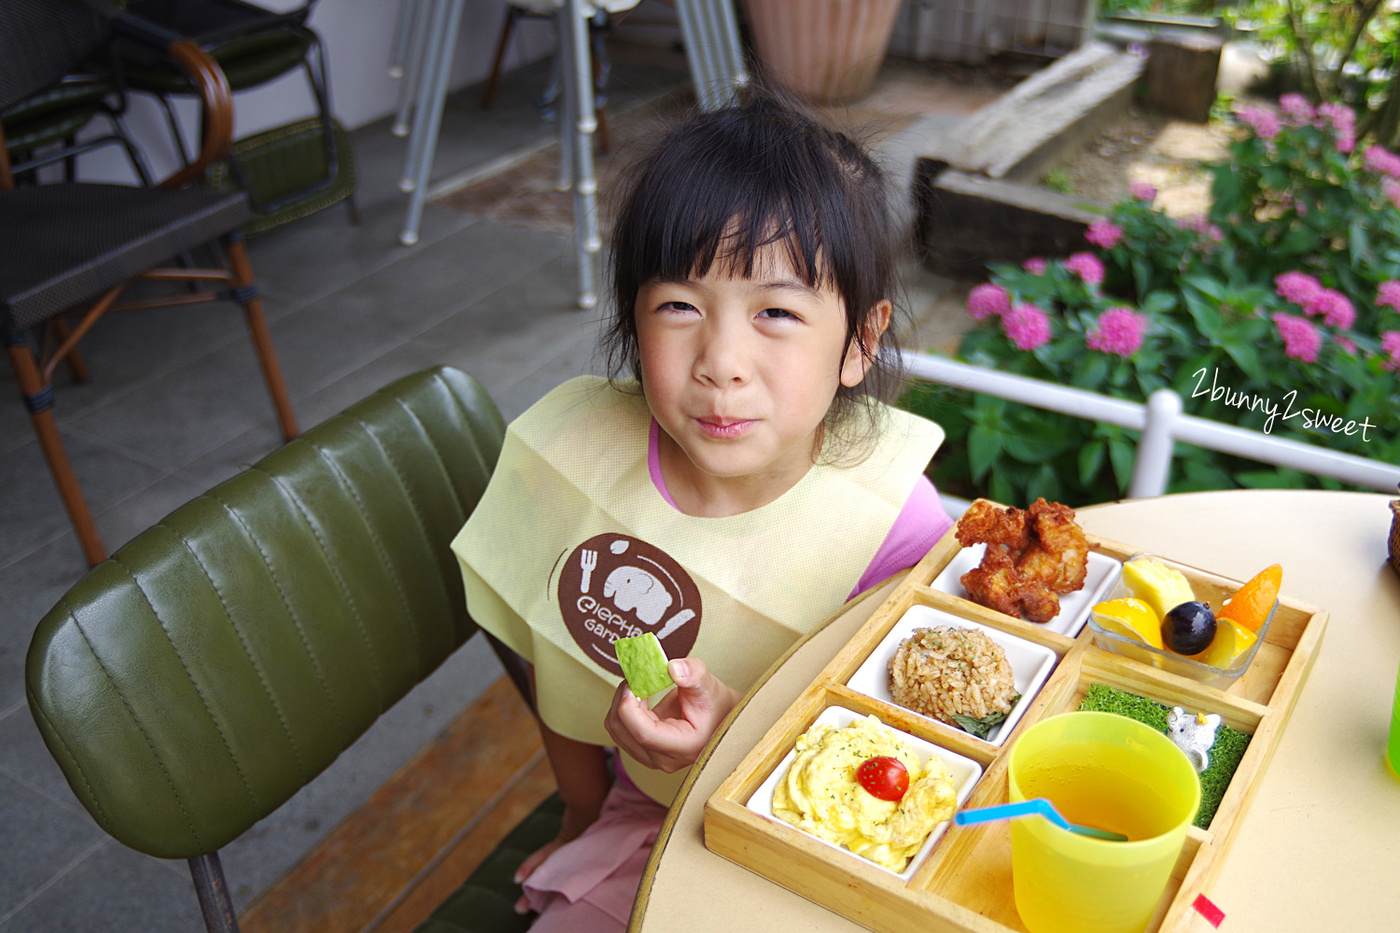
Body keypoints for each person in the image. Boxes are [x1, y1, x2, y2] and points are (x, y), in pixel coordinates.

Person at [450, 90, 954, 932]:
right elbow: (557, 652)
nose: (722, 362)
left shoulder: (892, 526)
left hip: (817, 845)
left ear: (861, 342)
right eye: (679, 305)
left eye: (778, 312)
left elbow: (910, 753)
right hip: (644, 820)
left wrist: (749, 739)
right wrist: (579, 812)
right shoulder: (579, 466)